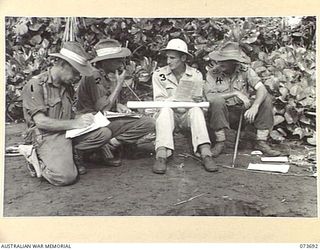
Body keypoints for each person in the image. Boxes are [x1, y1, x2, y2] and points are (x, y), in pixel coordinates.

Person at [22, 41, 113, 186]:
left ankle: (70, 154)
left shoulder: (67, 86)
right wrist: (75, 123)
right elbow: (41, 122)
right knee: (65, 177)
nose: (77, 76)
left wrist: (85, 119)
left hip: (67, 131)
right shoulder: (35, 85)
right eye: (76, 71)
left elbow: (69, 114)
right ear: (63, 64)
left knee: (104, 132)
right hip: (46, 135)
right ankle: (36, 160)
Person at [75, 39, 155, 164]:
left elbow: (104, 100)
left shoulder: (107, 74)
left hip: (103, 120)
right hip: (93, 123)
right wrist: (119, 84)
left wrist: (118, 105)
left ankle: (111, 144)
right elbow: (104, 109)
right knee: (148, 123)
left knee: (148, 122)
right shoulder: (93, 76)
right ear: (105, 62)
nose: (122, 62)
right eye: (117, 60)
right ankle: (106, 147)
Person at [152, 38, 218, 174]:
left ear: (183, 58)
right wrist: (175, 99)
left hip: (187, 115)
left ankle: (205, 152)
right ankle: (161, 154)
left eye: (172, 58)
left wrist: (196, 101)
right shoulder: (160, 75)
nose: (168, 61)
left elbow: (201, 104)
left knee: (196, 110)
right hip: (170, 116)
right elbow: (158, 102)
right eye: (167, 57)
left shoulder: (195, 75)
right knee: (165, 110)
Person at [204, 41, 281, 157]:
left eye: (224, 60)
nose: (220, 63)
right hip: (223, 114)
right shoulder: (213, 73)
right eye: (220, 59)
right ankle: (220, 142)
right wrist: (235, 93)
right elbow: (210, 97)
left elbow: (262, 89)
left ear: (234, 62)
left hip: (243, 113)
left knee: (266, 99)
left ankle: (261, 141)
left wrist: (254, 106)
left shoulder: (246, 71)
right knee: (217, 101)